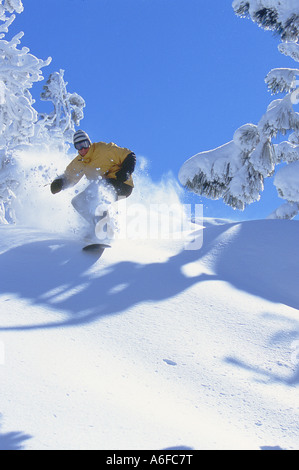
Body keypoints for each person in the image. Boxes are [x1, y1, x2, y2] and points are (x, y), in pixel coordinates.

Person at [50, 130, 136, 241]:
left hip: (122, 183)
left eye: (84, 144)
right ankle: (95, 228)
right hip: (102, 186)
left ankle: (105, 230)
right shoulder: (79, 162)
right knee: (78, 201)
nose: (83, 149)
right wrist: (60, 183)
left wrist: (126, 171)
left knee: (98, 191)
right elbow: (69, 177)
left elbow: (129, 155)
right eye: (79, 146)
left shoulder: (104, 149)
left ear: (89, 142)